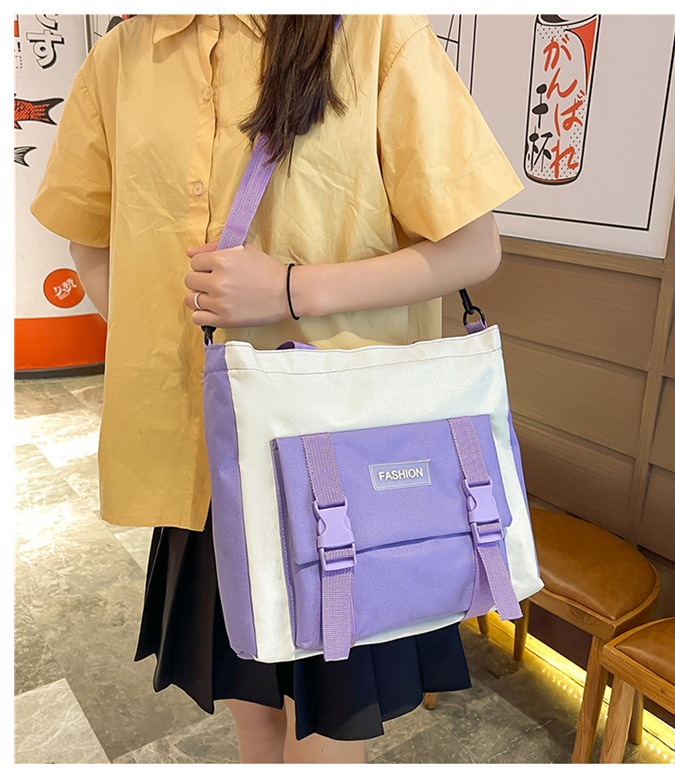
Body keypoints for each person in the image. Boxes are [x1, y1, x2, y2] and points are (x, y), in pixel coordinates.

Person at [31, 14, 523, 764]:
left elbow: (474, 245)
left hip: (339, 460)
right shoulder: (120, 58)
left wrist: (289, 289)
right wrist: (172, 352)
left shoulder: (371, 31)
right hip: (209, 460)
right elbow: (92, 240)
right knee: (254, 710)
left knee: (326, 727)